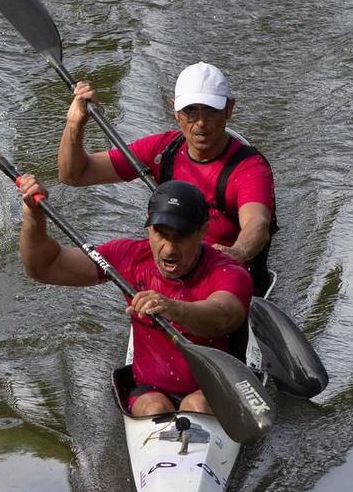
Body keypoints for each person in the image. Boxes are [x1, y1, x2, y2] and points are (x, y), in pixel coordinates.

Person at [14, 174, 252, 418]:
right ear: (148, 227)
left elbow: (224, 316)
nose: (169, 249)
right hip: (150, 391)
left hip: (214, 388)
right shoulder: (128, 257)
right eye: (160, 233)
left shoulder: (228, 271)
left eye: (181, 236)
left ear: (203, 231)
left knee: (196, 406)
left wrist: (174, 308)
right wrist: (34, 217)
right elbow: (45, 268)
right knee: (155, 408)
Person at [55, 62, 276, 290]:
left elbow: (257, 224)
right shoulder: (162, 149)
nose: (200, 123)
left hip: (226, 277)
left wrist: (237, 252)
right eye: (190, 111)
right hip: (174, 269)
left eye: (211, 110)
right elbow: (74, 175)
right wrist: (75, 124)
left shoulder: (249, 168)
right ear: (175, 111)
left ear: (229, 109)